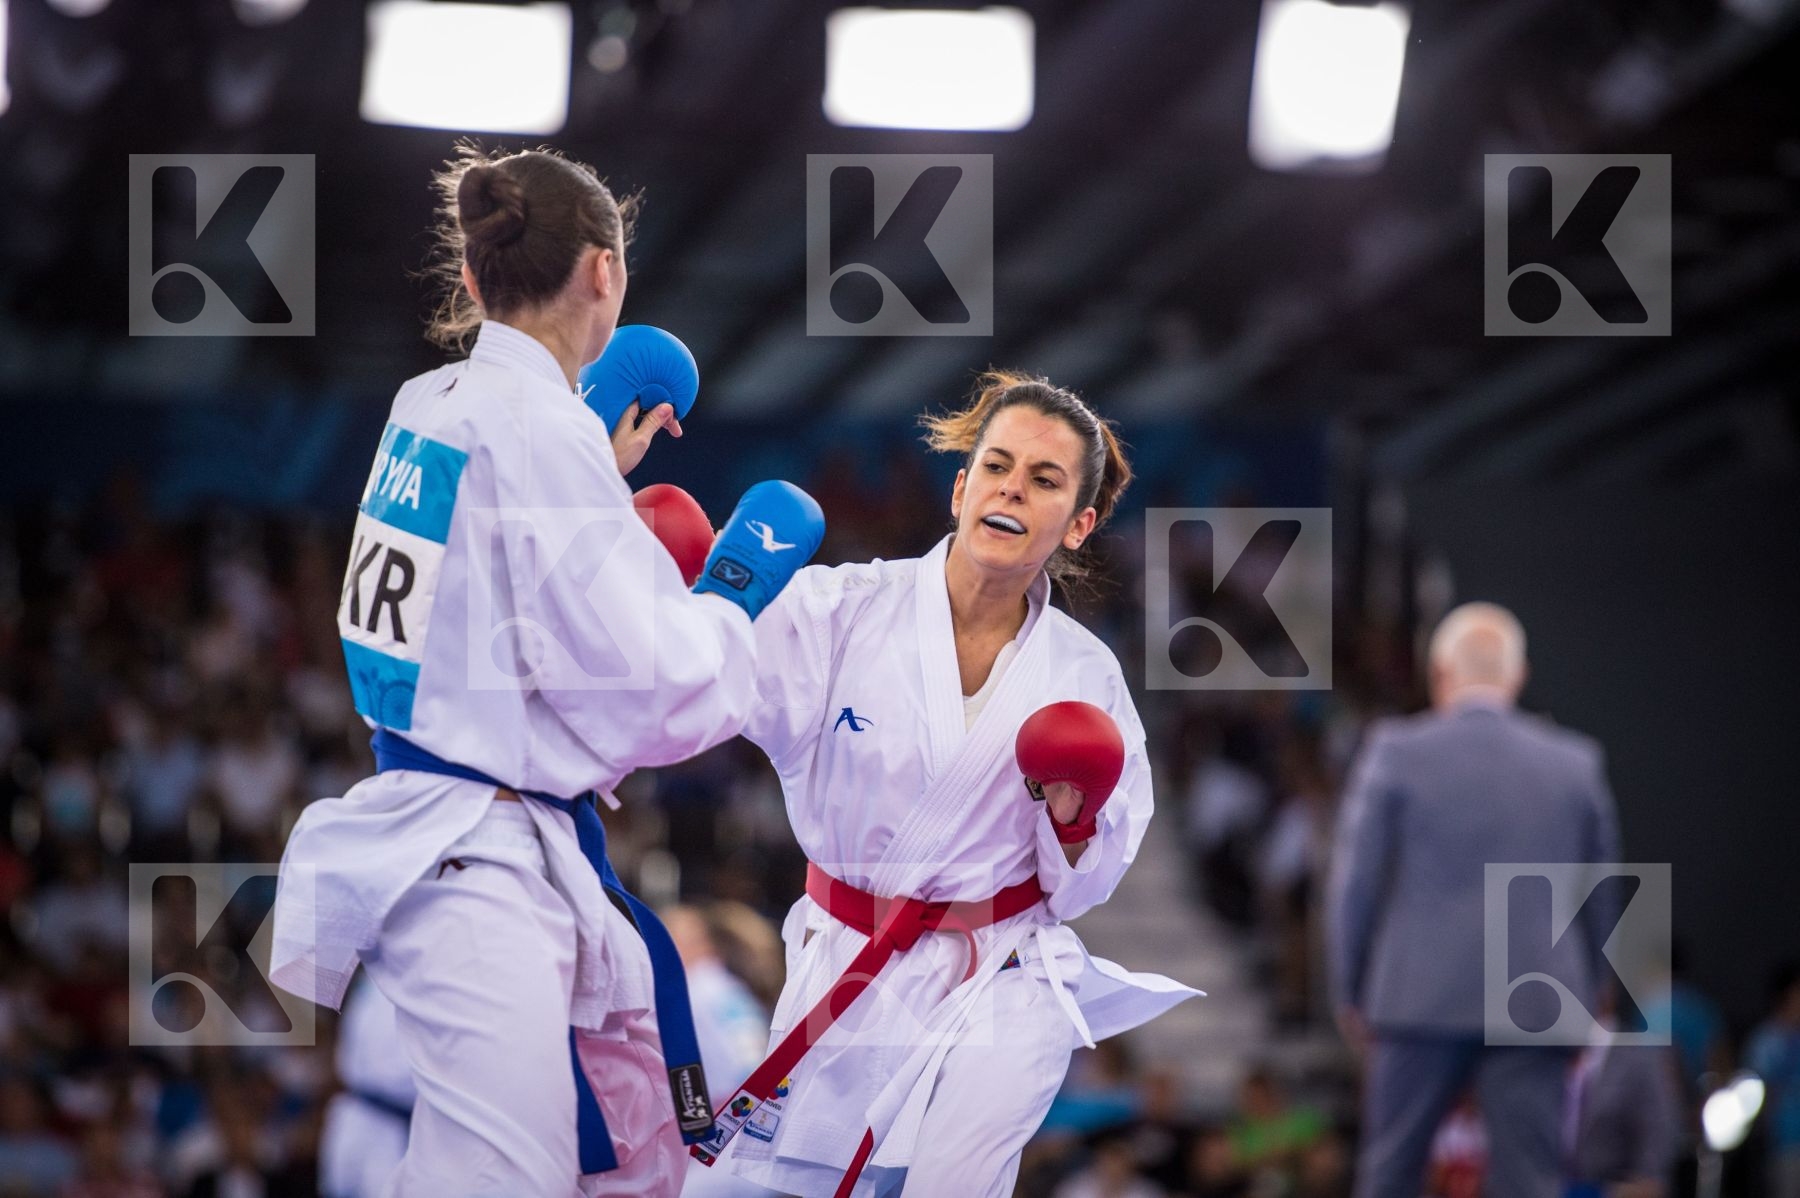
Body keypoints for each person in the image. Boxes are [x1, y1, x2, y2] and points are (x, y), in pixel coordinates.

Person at [269, 145, 821, 1195]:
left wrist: (594, 479)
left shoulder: (425, 402)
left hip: (459, 824)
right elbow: (657, 685)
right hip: (477, 849)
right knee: (501, 1178)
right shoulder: (539, 434)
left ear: (473, 278)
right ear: (605, 273)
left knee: (607, 1152)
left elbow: (483, 598)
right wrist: (732, 600)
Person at [699, 372, 1200, 1197]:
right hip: (846, 960)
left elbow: (1083, 885)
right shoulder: (843, 608)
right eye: (997, 466)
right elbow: (702, 683)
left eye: (1044, 480)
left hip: (1001, 976)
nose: (1013, 488)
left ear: (1077, 524)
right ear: (962, 488)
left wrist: (1071, 818)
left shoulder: (1086, 677)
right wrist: (707, 593)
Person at [1328, 602, 1623, 1198]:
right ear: (1518, 675)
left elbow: (1353, 884)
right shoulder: (1576, 762)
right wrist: (1602, 992)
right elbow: (1609, 889)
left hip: (1416, 999)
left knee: (1389, 1177)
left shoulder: (1394, 751)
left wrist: (1350, 988)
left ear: (1439, 672)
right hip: (1539, 1003)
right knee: (1532, 1183)